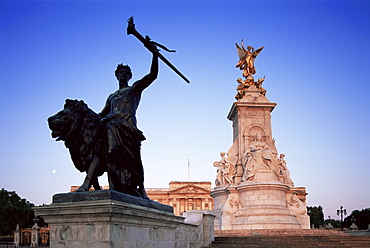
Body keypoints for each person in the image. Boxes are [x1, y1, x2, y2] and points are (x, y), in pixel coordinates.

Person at [99, 49, 158, 198]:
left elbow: (152, 76)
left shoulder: (133, 89)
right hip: (111, 126)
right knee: (110, 153)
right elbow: (101, 114)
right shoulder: (111, 97)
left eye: (126, 72)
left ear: (130, 76)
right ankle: (113, 185)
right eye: (121, 72)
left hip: (129, 128)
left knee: (135, 160)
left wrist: (155, 54)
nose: (123, 74)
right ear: (117, 75)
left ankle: (141, 187)